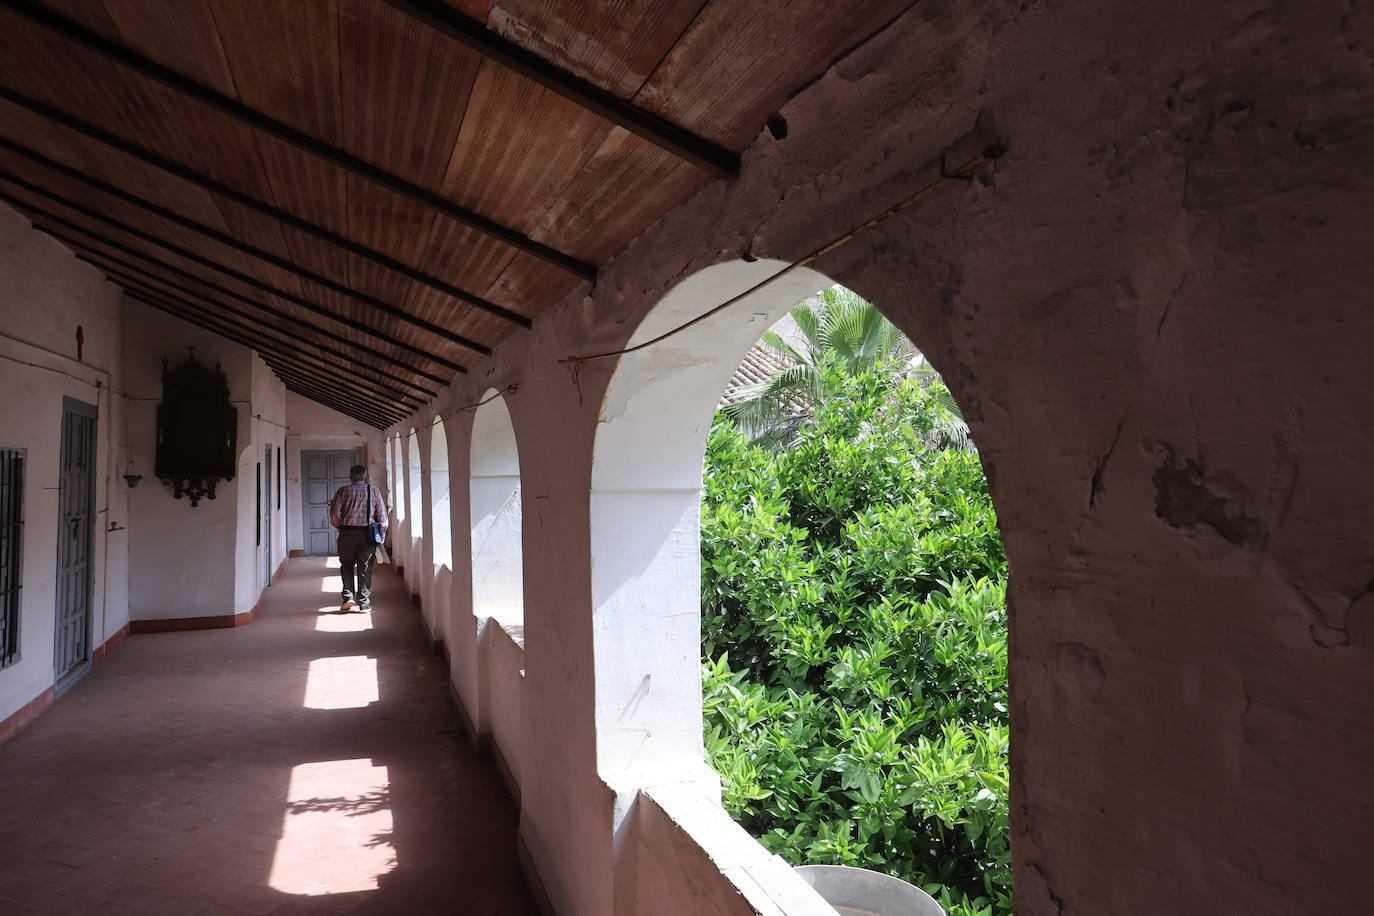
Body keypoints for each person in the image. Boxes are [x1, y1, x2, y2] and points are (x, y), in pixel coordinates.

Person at [328, 464, 388, 612]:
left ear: (350, 476)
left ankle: (348, 597)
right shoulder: (373, 491)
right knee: (365, 568)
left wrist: (340, 527)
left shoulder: (343, 491)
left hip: (347, 533)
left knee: (347, 565)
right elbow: (383, 518)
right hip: (367, 535)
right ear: (365, 476)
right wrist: (381, 535)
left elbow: (334, 515)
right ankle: (364, 603)